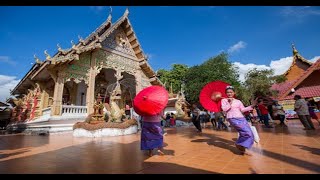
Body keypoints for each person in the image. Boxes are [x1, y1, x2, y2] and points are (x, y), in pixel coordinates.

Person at [221, 86, 257, 155]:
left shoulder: (238, 101)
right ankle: (240, 144)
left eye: (231, 92)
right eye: (228, 92)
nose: (229, 93)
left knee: (247, 132)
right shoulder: (224, 100)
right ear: (226, 93)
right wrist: (230, 103)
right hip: (232, 118)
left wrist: (252, 106)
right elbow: (224, 109)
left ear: (234, 93)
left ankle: (242, 148)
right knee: (247, 132)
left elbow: (243, 109)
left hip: (241, 118)